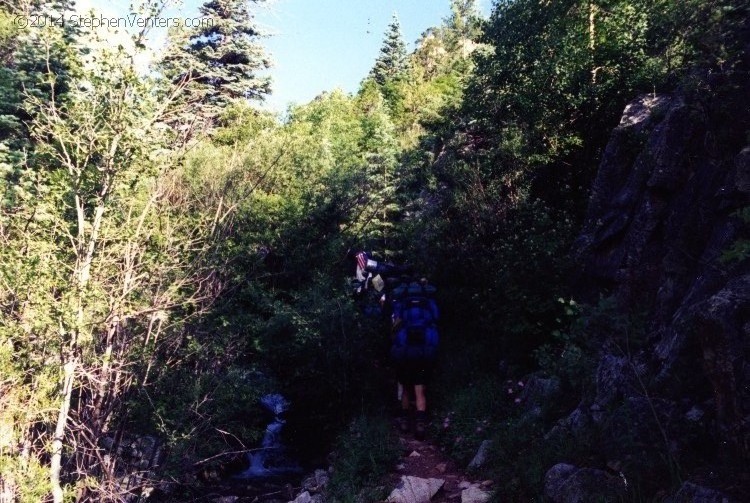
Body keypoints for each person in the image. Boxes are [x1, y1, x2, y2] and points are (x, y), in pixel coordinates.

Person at [390, 278, 439, 440]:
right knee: (420, 390)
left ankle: (404, 422)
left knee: (405, 388)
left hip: (405, 353)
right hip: (424, 352)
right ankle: (420, 425)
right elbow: (436, 317)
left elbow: (395, 324)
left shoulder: (401, 303)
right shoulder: (428, 302)